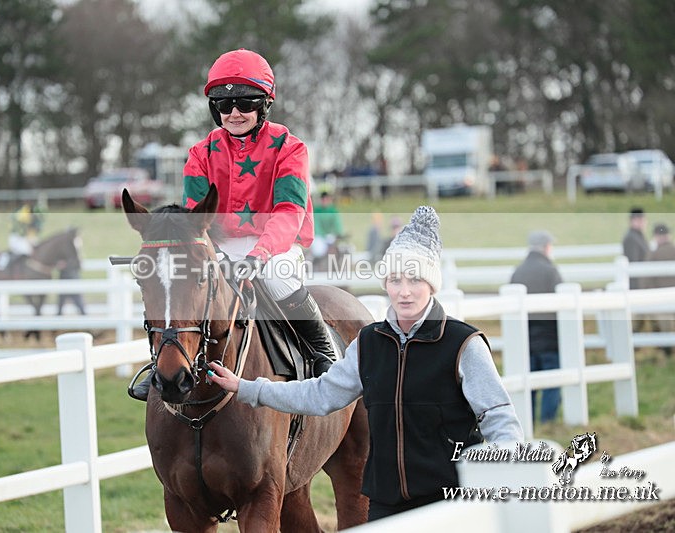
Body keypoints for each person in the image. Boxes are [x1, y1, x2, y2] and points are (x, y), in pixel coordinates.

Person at [207, 206, 523, 521]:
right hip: (385, 504)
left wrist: (502, 478)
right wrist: (248, 388)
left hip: (449, 503)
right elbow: (320, 395)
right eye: (395, 280)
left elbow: (498, 417)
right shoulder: (369, 343)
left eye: (415, 280)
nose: (405, 291)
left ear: (431, 284)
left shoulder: (462, 344)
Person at [132, 49, 333, 400]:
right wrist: (214, 254)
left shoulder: (290, 148)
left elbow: (289, 211)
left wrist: (259, 255)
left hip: (277, 243)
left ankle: (324, 355)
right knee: (179, 280)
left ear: (264, 104)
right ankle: (165, 363)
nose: (235, 113)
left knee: (279, 277)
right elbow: (196, 220)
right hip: (218, 243)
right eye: (225, 105)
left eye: (245, 102)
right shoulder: (200, 153)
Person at [510, 230, 563, 423]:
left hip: (526, 337)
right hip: (549, 336)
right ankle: (548, 422)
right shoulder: (551, 271)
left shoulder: (518, 272)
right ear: (546, 247)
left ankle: (528, 421)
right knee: (552, 381)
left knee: (528, 383)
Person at [644, 223, 675, 356]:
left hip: (660, 299)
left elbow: (646, 279)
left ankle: (665, 352)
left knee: (663, 327)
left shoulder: (653, 254)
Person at [0, 202, 44, 272]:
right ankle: (6, 262)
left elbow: (33, 233)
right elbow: (22, 231)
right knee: (26, 250)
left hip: (25, 237)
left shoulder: (33, 217)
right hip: (17, 238)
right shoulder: (22, 216)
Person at [309, 191, 345, 263]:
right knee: (318, 250)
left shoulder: (333, 211)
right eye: (323, 199)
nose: (325, 201)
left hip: (331, 236)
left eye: (327, 199)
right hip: (319, 236)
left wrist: (338, 233)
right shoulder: (316, 211)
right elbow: (316, 226)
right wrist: (323, 235)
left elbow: (337, 225)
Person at [622, 207, 649, 290]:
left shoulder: (638, 236)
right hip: (637, 283)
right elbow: (633, 262)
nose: (643, 223)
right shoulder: (631, 238)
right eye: (640, 220)